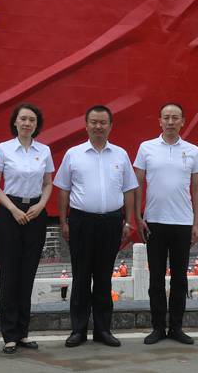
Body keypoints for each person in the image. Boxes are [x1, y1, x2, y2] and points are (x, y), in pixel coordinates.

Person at [55, 105, 138, 348]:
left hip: (111, 222)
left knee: (103, 277)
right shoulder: (73, 154)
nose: (98, 126)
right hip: (81, 222)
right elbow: (63, 190)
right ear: (86, 125)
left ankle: (103, 330)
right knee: (81, 276)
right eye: (94, 122)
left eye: (103, 122)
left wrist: (128, 221)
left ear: (110, 126)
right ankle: (78, 330)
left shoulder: (120, 155)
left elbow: (129, 190)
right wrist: (63, 221)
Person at [134, 102, 198, 346]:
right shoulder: (146, 148)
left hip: (182, 222)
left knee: (179, 279)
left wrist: (196, 223)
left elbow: (197, 188)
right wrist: (138, 217)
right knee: (155, 278)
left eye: (175, 118)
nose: (171, 122)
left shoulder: (193, 150)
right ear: (159, 121)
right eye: (166, 117)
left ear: (183, 121)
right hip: (154, 221)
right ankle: (157, 328)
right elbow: (137, 184)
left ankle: (176, 327)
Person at [0, 103, 54, 354]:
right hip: (10, 212)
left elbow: (47, 183)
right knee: (9, 274)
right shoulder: (3, 149)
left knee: (28, 273)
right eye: (23, 119)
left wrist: (41, 205)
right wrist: (12, 209)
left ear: (37, 124)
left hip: (36, 212)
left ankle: (23, 332)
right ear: (15, 122)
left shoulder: (44, 150)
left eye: (32, 120)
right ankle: (9, 335)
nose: (27, 123)